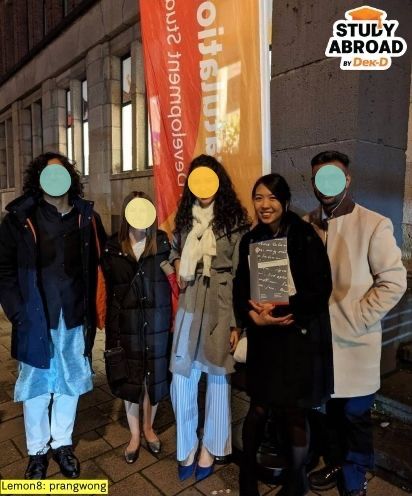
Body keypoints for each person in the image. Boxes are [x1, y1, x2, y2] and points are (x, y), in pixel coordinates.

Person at [305, 151, 407, 496]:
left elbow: (394, 282)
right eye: (319, 178)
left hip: (355, 343)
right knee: (330, 412)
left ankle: (355, 477)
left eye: (333, 177)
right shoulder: (305, 224)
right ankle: (337, 462)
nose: (326, 185)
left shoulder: (374, 224)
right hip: (318, 344)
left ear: (347, 180)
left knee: (355, 415)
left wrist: (358, 317)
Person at [0, 152, 106, 479]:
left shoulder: (86, 218)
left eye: (62, 173)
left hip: (73, 316)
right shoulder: (20, 219)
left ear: (71, 178)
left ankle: (62, 443)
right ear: (39, 178)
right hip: (36, 318)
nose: (57, 179)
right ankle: (37, 451)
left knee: (69, 383)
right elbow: (4, 270)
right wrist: (18, 313)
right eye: (50, 173)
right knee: (36, 387)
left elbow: (100, 264)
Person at [234, 173, 334, 496]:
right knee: (258, 408)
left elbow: (321, 289)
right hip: (264, 341)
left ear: (285, 201)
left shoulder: (303, 236)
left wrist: (286, 306)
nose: (265, 205)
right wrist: (252, 317)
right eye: (258, 198)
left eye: (272, 198)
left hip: (295, 341)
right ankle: (247, 476)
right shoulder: (252, 240)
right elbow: (239, 287)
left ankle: (296, 482)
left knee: (293, 413)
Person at [169, 154, 250, 481]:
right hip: (190, 302)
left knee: (217, 379)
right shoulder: (184, 219)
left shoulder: (235, 221)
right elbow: (173, 251)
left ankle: (211, 447)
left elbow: (241, 274)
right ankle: (186, 445)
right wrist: (177, 262)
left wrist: (237, 323)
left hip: (221, 303)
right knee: (181, 379)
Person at [101, 191, 172, 463]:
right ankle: (134, 435)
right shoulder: (112, 248)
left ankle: (149, 428)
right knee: (130, 381)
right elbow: (106, 290)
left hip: (157, 324)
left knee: (154, 378)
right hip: (125, 326)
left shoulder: (163, 243)